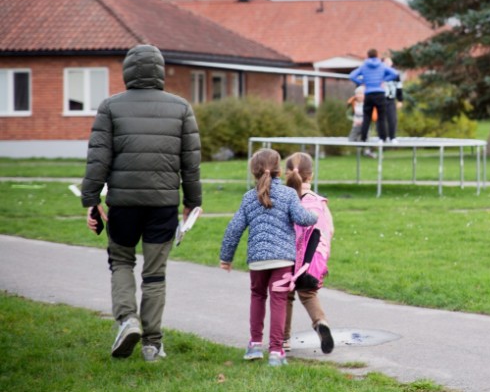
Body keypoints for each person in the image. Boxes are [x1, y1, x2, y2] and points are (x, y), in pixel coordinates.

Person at [81, 44, 202, 362]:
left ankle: (127, 320)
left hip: (123, 203)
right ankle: (152, 343)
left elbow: (98, 160)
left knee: (121, 261)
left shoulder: (110, 107)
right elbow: (190, 163)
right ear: (160, 71)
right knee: (155, 274)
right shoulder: (181, 107)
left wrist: (91, 202)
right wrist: (192, 202)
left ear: (127, 71)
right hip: (163, 204)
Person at [219, 148, 318, 367]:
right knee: (279, 301)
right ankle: (275, 351)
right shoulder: (289, 194)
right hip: (283, 261)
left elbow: (234, 229)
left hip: (257, 261)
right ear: (278, 171)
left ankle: (254, 345)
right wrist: (315, 214)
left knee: (257, 297)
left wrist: (226, 257)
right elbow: (303, 218)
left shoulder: (248, 198)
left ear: (254, 172)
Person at [282, 152, 335, 354]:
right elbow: (329, 230)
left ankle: (284, 339)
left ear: (286, 174)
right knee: (308, 293)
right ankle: (320, 321)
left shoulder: (285, 200)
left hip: (288, 257)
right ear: (310, 176)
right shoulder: (319, 202)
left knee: (286, 295)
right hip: (312, 260)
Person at [348, 48, 399, 142]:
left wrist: (362, 82)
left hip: (368, 94)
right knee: (381, 117)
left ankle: (363, 138)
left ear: (368, 56)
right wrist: (384, 79)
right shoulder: (382, 66)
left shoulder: (364, 66)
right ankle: (382, 138)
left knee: (367, 116)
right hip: (380, 93)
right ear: (377, 55)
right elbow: (395, 73)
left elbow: (351, 76)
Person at [346, 86, 374, 158]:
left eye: (361, 94)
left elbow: (372, 115)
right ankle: (359, 146)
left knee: (366, 137)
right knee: (351, 139)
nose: (359, 96)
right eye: (358, 94)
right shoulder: (353, 103)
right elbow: (348, 114)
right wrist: (354, 120)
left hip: (365, 125)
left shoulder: (368, 103)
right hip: (356, 124)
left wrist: (365, 121)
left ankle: (367, 151)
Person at [382, 57, 404, 142]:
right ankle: (382, 137)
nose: (388, 63)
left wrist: (400, 100)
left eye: (389, 61)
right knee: (381, 119)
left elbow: (399, 87)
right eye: (386, 62)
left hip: (391, 99)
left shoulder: (395, 74)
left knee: (392, 119)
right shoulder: (380, 73)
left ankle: (392, 137)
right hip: (381, 99)